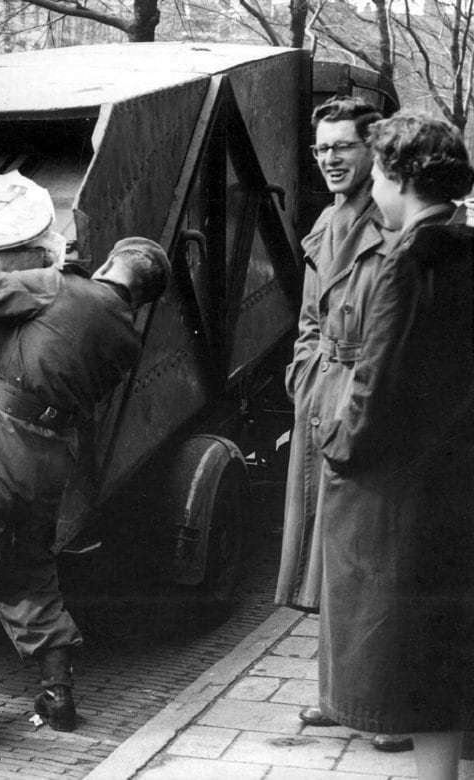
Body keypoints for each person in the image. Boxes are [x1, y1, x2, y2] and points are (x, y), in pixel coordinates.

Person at [0, 236, 170, 747]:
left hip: (6, 438)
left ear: (110, 263)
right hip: (54, 453)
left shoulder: (59, 289)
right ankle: (57, 694)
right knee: (29, 570)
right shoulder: (128, 339)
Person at [312, 113, 474, 780]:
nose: (373, 188)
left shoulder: (406, 263)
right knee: (450, 654)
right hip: (459, 482)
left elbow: (375, 384)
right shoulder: (468, 246)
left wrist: (334, 443)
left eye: (378, 174)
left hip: (405, 493)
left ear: (402, 179)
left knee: (411, 662)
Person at [273, 96, 414, 753]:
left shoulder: (390, 220)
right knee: (329, 560)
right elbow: (306, 322)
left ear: (372, 151)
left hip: (364, 400)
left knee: (371, 560)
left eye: (343, 148)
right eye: (321, 148)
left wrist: (341, 396)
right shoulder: (328, 218)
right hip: (322, 399)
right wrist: (308, 383)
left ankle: (383, 705)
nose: (329, 159)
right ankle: (340, 693)